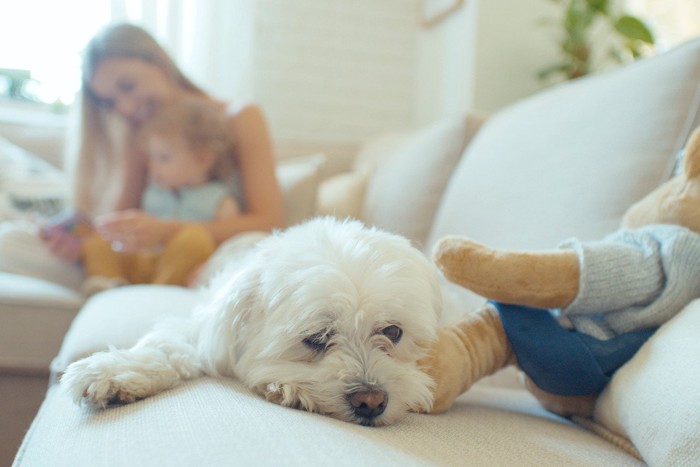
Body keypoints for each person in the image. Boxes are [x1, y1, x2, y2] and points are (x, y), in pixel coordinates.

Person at [0, 22, 284, 292]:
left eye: (127, 86)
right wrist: (78, 237)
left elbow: (270, 222)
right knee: (9, 242)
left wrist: (167, 231)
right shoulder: (138, 131)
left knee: (248, 248)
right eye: (110, 101)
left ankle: (159, 286)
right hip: (146, 259)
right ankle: (111, 282)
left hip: (215, 254)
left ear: (159, 62)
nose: (124, 107)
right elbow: (121, 221)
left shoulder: (240, 117)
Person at [80, 96, 242, 295]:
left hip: (179, 270)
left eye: (163, 158)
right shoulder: (153, 193)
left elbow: (230, 246)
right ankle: (106, 284)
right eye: (152, 157)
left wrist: (209, 265)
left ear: (202, 158)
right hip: (142, 261)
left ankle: (159, 292)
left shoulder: (220, 200)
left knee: (195, 238)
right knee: (98, 241)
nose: (152, 167)